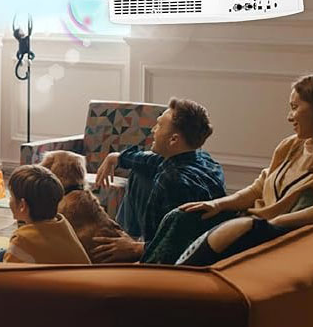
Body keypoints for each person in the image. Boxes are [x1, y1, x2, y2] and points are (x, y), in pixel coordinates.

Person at [145, 71, 313, 266]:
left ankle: (154, 279)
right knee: (181, 217)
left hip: (260, 231)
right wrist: (218, 204)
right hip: (247, 219)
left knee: (184, 239)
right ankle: (144, 272)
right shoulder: (291, 145)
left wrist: (274, 222)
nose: (290, 117)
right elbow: (258, 188)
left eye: (295, 108)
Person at [92, 97, 227, 262]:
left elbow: (175, 246)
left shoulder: (172, 182)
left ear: (173, 139)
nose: (153, 130)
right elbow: (149, 160)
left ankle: (123, 247)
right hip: (190, 237)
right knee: (140, 169)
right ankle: (124, 236)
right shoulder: (203, 158)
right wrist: (117, 157)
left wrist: (136, 248)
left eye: (159, 125)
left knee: (141, 171)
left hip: (176, 258)